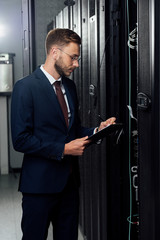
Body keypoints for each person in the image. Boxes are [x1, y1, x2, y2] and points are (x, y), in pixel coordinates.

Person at [11, 28, 116, 240]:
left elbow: (73, 131)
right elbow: (20, 139)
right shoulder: (26, 87)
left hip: (68, 185)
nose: (76, 64)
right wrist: (64, 149)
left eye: (78, 58)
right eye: (73, 57)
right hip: (39, 187)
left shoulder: (70, 86)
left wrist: (97, 131)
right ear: (54, 52)